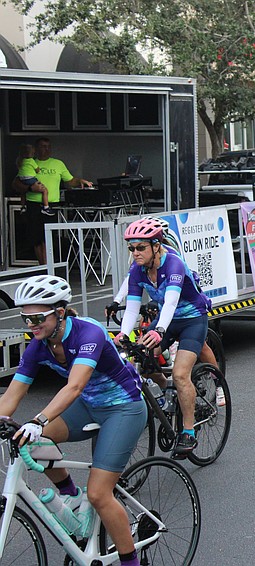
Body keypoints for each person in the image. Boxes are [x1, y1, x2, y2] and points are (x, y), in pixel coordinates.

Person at [1, 275, 146, 566]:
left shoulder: (87, 333)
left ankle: (131, 562)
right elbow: (13, 394)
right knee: (34, 443)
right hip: (88, 406)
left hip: (124, 408)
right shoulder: (37, 347)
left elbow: (75, 386)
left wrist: (38, 419)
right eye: (26, 318)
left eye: (38, 317)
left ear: (60, 312)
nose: (32, 325)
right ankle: (71, 495)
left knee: (99, 494)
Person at [114, 218, 212, 458]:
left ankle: (188, 431)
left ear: (156, 246)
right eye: (132, 248)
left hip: (191, 319)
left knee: (180, 374)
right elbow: (132, 306)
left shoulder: (174, 265)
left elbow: (170, 302)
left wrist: (158, 332)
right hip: (164, 322)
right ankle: (164, 387)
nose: (135, 253)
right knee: (138, 362)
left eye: (140, 248)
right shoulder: (138, 270)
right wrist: (124, 334)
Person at [11, 137, 93, 264]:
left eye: (48, 146)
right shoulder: (29, 162)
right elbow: (16, 183)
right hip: (33, 204)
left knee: (49, 237)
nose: (47, 149)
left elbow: (70, 181)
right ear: (36, 149)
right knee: (37, 238)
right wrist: (30, 188)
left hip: (51, 205)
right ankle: (44, 267)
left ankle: (49, 267)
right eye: (43, 146)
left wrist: (80, 181)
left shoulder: (58, 164)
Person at [16, 143, 53, 216]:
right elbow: (37, 170)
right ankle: (46, 207)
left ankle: (23, 206)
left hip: (22, 178)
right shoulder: (31, 161)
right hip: (30, 178)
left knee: (23, 192)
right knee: (44, 190)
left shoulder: (20, 160)